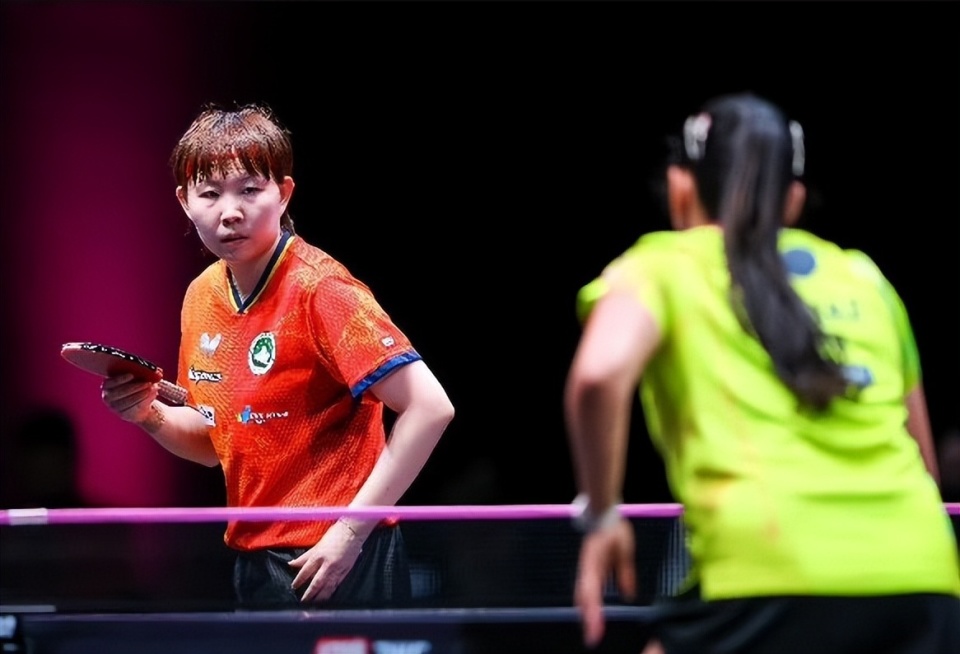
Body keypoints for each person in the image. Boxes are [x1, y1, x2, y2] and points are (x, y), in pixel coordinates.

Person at [563, 92, 960, 653]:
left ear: (680, 188)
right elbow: (923, 466)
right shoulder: (864, 279)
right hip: (920, 573)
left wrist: (603, 516)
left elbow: (599, 373)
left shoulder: (663, 266)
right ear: (792, 199)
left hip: (766, 567)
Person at [100, 102, 455, 609]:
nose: (230, 211)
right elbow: (213, 441)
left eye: (250, 189)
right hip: (253, 558)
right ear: (184, 202)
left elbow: (431, 407)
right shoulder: (201, 297)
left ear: (284, 193)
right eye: (209, 193)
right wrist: (148, 415)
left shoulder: (321, 289)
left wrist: (350, 532)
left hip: (342, 557)